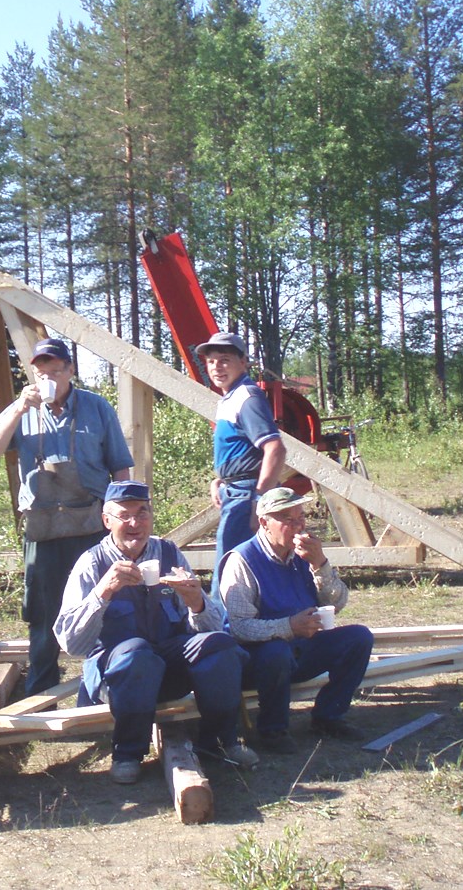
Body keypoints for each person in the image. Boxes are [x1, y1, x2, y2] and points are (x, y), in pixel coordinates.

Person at [54, 480, 256, 783]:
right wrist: (103, 592)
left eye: (143, 513)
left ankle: (219, 742)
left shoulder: (169, 554)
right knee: (136, 652)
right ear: (107, 520)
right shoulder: (92, 563)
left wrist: (196, 602)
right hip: (118, 673)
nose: (135, 523)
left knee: (218, 645)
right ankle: (127, 753)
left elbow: (210, 627)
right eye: (125, 515)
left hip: (167, 662)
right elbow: (71, 642)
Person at [0, 337, 134, 695]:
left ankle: (105, 682)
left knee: (104, 604)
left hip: (91, 526)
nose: (47, 377)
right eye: (40, 371)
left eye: (55, 370)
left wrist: (121, 519)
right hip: (43, 529)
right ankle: (40, 690)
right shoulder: (22, 410)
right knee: (42, 613)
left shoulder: (96, 408)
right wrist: (17, 409)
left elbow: (121, 468)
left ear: (70, 371)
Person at [218, 486, 374, 753]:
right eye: (287, 519)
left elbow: (336, 603)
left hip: (302, 648)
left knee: (359, 637)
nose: (298, 526)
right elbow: (239, 628)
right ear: (265, 522)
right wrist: (288, 627)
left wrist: (320, 563)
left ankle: (328, 716)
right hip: (256, 660)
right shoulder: (242, 560)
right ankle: (272, 731)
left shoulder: (303, 554)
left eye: (300, 517)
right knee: (276, 651)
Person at [196, 331, 287, 592]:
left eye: (224, 360)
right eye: (211, 361)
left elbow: (275, 449)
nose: (216, 367)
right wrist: (220, 480)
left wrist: (259, 501)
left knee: (229, 572)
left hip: (245, 495)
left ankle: (223, 629)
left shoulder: (247, 397)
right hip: (235, 490)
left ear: (244, 362)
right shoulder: (229, 398)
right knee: (238, 566)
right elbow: (243, 451)